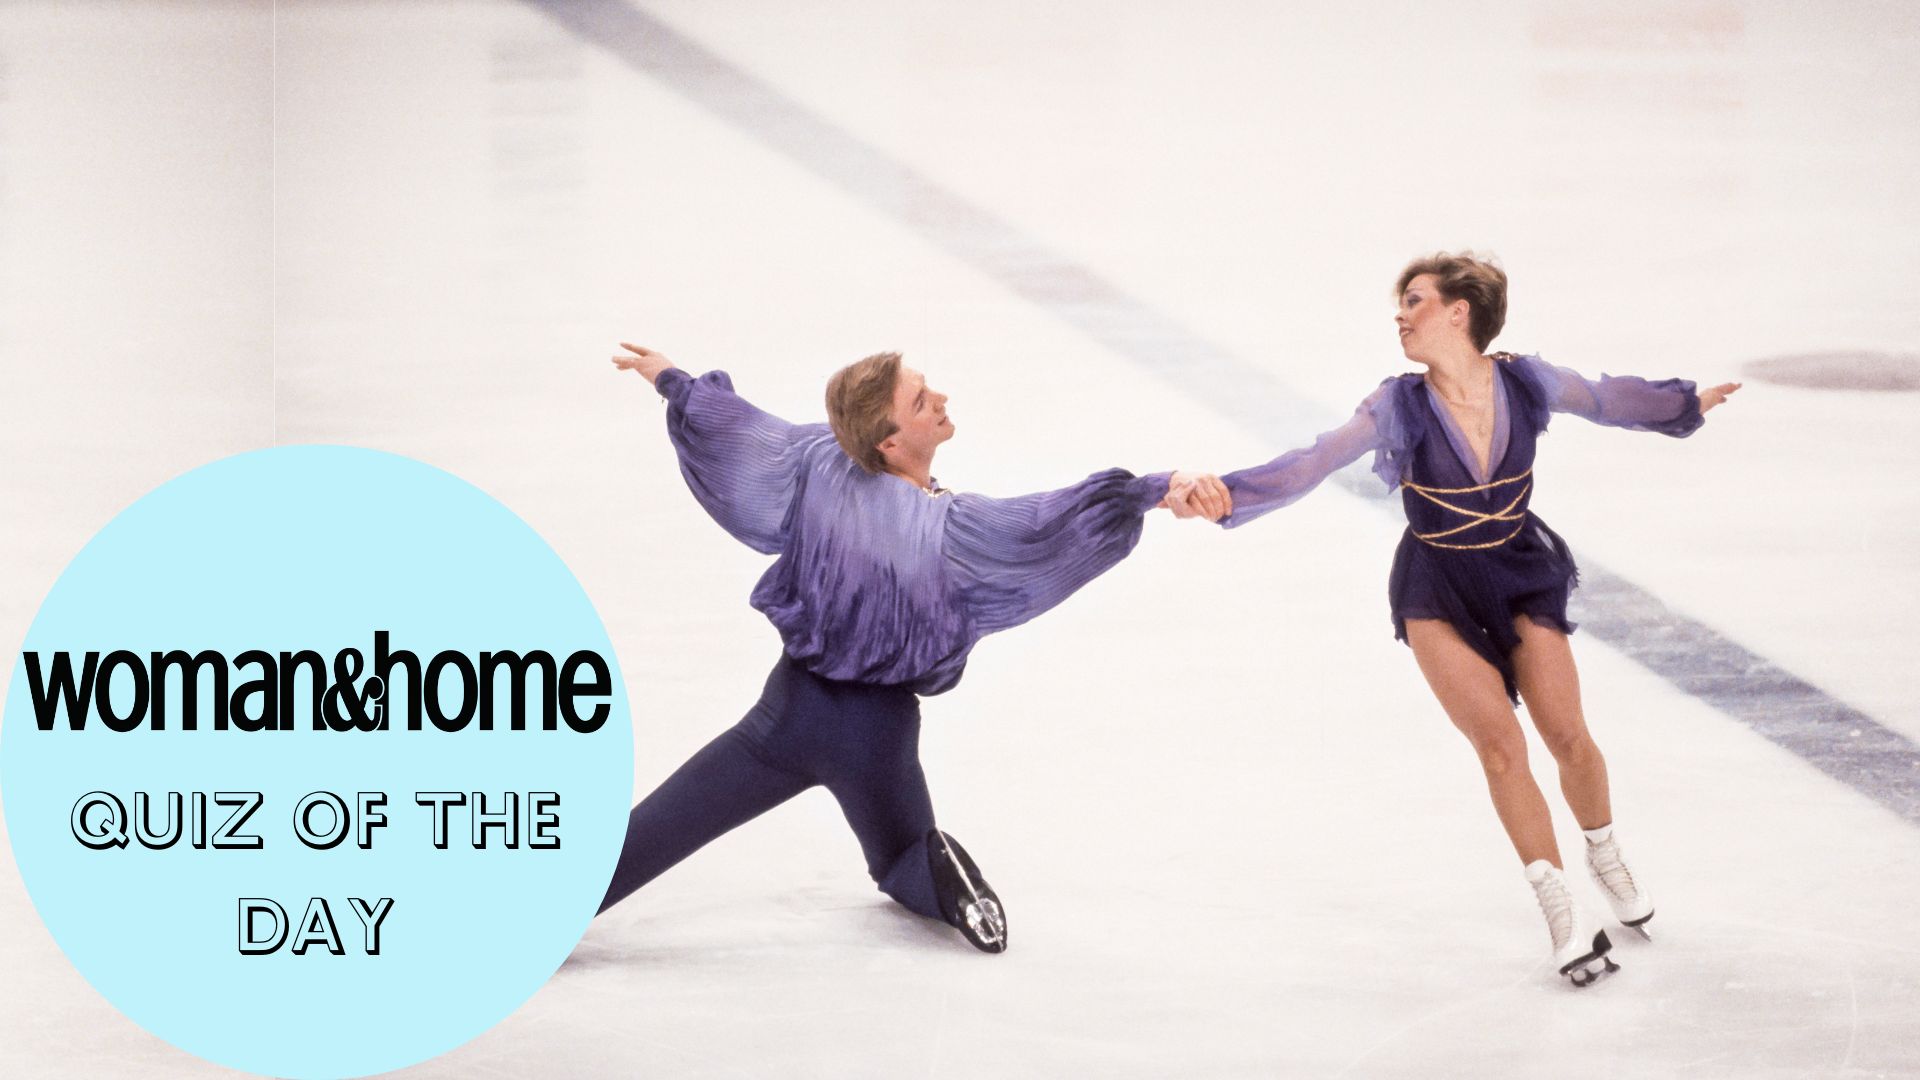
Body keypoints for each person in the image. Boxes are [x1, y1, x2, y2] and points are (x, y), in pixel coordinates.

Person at [1213, 253, 1739, 987]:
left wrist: (1682, 406)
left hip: (1520, 571)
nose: (1401, 315)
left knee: (1568, 737)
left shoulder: (1525, 381)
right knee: (1499, 748)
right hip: (1436, 587)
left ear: (1459, 312)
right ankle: (1563, 914)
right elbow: (1314, 461)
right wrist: (1229, 494)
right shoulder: (1397, 403)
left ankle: (1605, 852)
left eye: (1415, 301)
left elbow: (1603, 398)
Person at [601, 343, 1230, 953]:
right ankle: (947, 885)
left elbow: (741, 432)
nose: (941, 398)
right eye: (922, 400)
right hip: (877, 736)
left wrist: (673, 381)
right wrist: (1153, 490)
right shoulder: (949, 531)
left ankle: (553, 900)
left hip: (786, 715)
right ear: (890, 443)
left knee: (653, 833)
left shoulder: (818, 461)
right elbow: (1046, 522)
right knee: (901, 855)